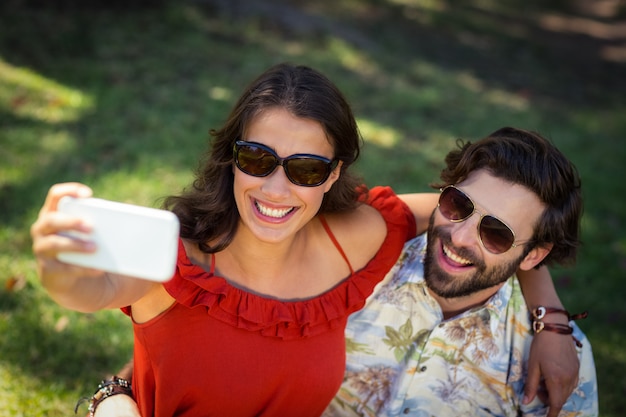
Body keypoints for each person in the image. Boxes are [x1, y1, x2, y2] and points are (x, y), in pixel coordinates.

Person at [31, 64, 577, 417]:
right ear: (231, 157)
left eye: (306, 169)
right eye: (257, 159)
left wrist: (549, 318)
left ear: (335, 175)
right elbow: (85, 289)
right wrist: (57, 264)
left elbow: (490, 223)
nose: (276, 188)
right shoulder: (181, 259)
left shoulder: (355, 239)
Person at [323, 127, 598, 417]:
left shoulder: (561, 362)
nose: (459, 237)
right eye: (459, 204)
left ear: (533, 254)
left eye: (496, 233)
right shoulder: (361, 258)